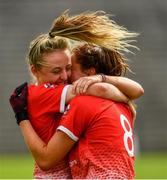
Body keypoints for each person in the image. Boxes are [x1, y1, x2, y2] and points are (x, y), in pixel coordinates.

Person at [10, 11, 144, 179]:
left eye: (69, 68)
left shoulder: (84, 102)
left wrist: (22, 117)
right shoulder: (44, 93)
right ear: (34, 70)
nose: (65, 77)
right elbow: (114, 90)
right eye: (56, 71)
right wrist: (125, 97)